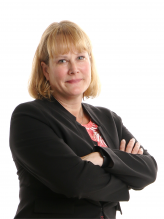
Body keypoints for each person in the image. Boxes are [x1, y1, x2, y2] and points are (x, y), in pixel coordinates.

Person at [9, 20, 157, 219]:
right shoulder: (29, 117)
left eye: (80, 57)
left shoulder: (108, 118)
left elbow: (148, 169)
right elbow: (75, 182)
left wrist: (102, 157)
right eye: (62, 60)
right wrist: (126, 175)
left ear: (90, 62)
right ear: (46, 70)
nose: (74, 69)